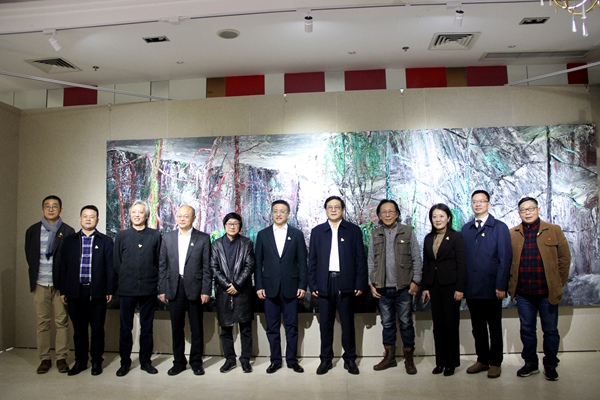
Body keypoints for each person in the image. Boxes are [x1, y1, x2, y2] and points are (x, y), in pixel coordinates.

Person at [508, 197, 571, 381]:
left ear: (538, 209)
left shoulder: (553, 230)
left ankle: (550, 365)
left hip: (547, 293)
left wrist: (557, 283)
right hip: (524, 293)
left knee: (550, 330)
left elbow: (564, 259)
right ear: (519, 213)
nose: (527, 212)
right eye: (523, 210)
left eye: (531, 209)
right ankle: (530, 363)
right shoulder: (513, 233)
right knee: (527, 330)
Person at [308, 196, 368, 375]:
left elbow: (360, 259)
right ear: (326, 210)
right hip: (324, 283)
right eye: (330, 207)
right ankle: (325, 360)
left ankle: (350, 359)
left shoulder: (353, 230)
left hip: (346, 282)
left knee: (348, 324)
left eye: (337, 207)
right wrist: (313, 284)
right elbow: (312, 260)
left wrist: (360, 283)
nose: (333, 210)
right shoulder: (318, 231)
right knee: (325, 325)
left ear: (343, 209)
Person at [59, 205, 116, 376]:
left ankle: (96, 361)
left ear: (97, 220)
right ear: (80, 219)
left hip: (97, 292)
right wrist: (63, 290)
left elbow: (110, 268)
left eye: (92, 216)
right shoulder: (70, 241)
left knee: (97, 329)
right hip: (75, 293)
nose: (88, 219)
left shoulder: (105, 241)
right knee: (79, 330)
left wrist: (109, 289)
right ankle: (80, 362)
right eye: (85, 216)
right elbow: (63, 267)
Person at [461, 189, 511, 378]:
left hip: (492, 288)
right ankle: (482, 360)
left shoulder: (499, 227)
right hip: (472, 288)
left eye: (482, 201)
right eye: (475, 201)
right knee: (478, 327)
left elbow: (505, 259)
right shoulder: (466, 229)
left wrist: (501, 285)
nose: (478, 204)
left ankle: (496, 362)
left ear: (489, 204)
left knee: (494, 327)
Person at [368, 199, 422, 374]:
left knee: (406, 323)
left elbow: (416, 257)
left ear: (397, 214)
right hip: (382, 289)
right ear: (379, 215)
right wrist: (371, 283)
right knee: (387, 324)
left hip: (403, 288)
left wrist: (416, 281)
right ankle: (389, 357)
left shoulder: (408, 231)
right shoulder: (375, 234)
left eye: (391, 211)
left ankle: (409, 359)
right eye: (384, 212)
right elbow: (371, 261)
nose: (387, 215)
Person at [255, 200, 308, 374]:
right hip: (269, 288)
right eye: (276, 211)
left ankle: (292, 360)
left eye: (282, 211)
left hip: (291, 287)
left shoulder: (297, 234)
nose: (278, 214)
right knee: (272, 327)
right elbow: (258, 263)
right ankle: (275, 361)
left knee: (292, 326)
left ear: (288, 214)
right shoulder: (263, 235)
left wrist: (302, 285)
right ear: (271, 213)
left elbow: (302, 262)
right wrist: (259, 285)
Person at [158, 205, 211, 376]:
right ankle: (178, 362)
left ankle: (196, 362)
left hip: (195, 288)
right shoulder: (168, 238)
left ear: (193, 218)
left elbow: (207, 267)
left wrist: (206, 290)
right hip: (174, 287)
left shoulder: (203, 238)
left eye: (186, 216)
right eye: (179, 216)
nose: (182, 219)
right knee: (176, 327)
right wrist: (162, 289)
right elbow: (162, 265)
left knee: (196, 327)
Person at [25, 195, 75, 374]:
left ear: (61, 210)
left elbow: (70, 260)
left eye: (55, 206)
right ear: (42, 209)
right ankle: (44, 358)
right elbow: (30, 256)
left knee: (62, 322)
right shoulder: (32, 231)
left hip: (60, 285)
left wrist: (66, 285)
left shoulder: (68, 231)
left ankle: (61, 358)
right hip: (40, 283)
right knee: (43, 322)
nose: (51, 209)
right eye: (47, 206)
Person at [113, 200, 162, 377]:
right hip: (127, 289)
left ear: (146, 215)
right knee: (125, 328)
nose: (137, 215)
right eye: (134, 212)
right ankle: (124, 363)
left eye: (140, 212)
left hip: (148, 288)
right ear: (130, 215)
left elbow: (159, 261)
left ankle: (145, 362)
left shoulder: (155, 235)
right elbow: (117, 262)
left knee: (146, 328)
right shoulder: (122, 236)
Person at [421, 203, 466, 377]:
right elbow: (427, 263)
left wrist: (460, 288)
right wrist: (425, 287)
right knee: (438, 325)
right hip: (434, 286)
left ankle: (451, 363)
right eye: (434, 216)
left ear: (448, 218)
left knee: (451, 325)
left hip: (451, 286)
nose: (438, 219)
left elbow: (462, 264)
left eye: (441, 216)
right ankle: (440, 362)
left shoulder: (456, 237)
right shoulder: (428, 238)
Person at [210, 212, 255, 373]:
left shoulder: (246, 243)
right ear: (224, 226)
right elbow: (213, 267)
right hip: (223, 293)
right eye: (229, 224)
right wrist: (227, 284)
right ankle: (230, 359)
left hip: (242, 292)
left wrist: (237, 284)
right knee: (225, 329)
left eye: (236, 224)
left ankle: (245, 360)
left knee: (246, 329)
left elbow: (250, 265)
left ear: (240, 226)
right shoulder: (216, 244)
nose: (232, 226)